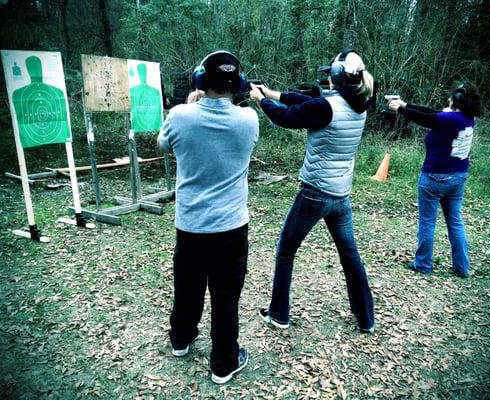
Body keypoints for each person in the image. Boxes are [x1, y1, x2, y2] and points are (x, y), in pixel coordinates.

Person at [249, 49, 375, 333]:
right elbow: (307, 102)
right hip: (341, 196)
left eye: (331, 75)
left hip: (314, 194)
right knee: (350, 256)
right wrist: (270, 92)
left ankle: (279, 315)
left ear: (338, 77)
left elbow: (288, 117)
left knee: (286, 250)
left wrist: (261, 101)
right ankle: (366, 318)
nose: (327, 79)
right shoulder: (360, 104)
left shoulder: (327, 107)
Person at [157, 50, 259, 384]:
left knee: (187, 286)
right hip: (231, 226)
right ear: (237, 84)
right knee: (226, 294)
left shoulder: (180, 115)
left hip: (190, 225)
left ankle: (181, 339)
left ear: (201, 80)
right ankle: (224, 362)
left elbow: (163, 143)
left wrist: (189, 105)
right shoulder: (249, 120)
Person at [388, 82, 481, 277]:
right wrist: (405, 105)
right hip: (458, 177)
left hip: (434, 177)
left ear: (456, 100)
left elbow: (425, 118)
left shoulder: (449, 119)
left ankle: (423, 264)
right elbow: (431, 113)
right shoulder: (469, 118)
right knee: (455, 223)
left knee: (427, 223)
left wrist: (402, 110)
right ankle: (462, 267)